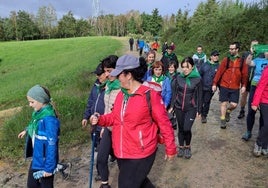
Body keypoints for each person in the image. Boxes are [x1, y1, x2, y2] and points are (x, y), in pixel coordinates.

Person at [90, 54, 177, 188]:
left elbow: (164, 123)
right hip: (122, 150)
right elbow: (115, 118)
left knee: (126, 184)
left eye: (119, 75)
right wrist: (100, 119)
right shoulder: (121, 94)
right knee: (140, 183)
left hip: (141, 152)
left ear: (129, 75)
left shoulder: (149, 95)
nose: (115, 77)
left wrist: (170, 148)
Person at [18, 85, 60, 188]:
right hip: (37, 158)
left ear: (41, 100)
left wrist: (49, 168)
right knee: (32, 185)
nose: (30, 105)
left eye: (32, 102)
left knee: (46, 186)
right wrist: (27, 130)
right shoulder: (38, 114)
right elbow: (34, 124)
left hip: (46, 161)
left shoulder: (49, 120)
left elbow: (52, 145)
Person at [169, 57, 202, 159]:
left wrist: (199, 110)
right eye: (183, 67)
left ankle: (187, 146)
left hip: (191, 108)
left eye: (187, 67)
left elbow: (200, 96)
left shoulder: (198, 79)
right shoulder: (178, 77)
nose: (184, 69)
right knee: (181, 129)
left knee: (187, 128)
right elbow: (174, 93)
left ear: (192, 66)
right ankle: (181, 147)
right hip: (179, 107)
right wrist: (172, 106)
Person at [95, 55, 120, 188]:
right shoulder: (109, 86)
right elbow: (106, 108)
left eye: (109, 70)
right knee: (101, 158)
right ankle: (105, 184)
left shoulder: (123, 88)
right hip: (109, 128)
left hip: (121, 131)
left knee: (124, 163)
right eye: (105, 71)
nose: (106, 74)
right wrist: (104, 126)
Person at [212, 42, 248, 129]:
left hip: (235, 87)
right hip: (224, 85)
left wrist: (244, 85)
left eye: (232, 49)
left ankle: (228, 111)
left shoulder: (242, 61)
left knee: (234, 104)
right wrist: (214, 84)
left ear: (237, 49)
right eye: (230, 49)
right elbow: (219, 72)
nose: (230, 50)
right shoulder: (226, 60)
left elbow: (245, 74)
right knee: (223, 103)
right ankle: (223, 120)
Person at [242, 50, 268, 141]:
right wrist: (251, 54)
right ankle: (248, 131)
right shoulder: (258, 59)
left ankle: (261, 135)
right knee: (251, 110)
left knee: (264, 113)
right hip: (255, 86)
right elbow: (248, 62)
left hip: (266, 89)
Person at [238, 40, 259, 119]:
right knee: (244, 95)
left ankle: (251, 112)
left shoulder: (260, 55)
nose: (255, 47)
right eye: (253, 46)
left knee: (253, 96)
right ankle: (242, 110)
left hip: (255, 78)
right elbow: (241, 65)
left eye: (256, 46)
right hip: (246, 77)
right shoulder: (246, 54)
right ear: (250, 46)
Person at [199, 50, 220, 123]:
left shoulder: (219, 66)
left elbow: (219, 79)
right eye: (214, 55)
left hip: (210, 88)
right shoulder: (205, 65)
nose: (216, 57)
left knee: (207, 101)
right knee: (200, 101)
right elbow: (199, 75)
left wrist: (220, 89)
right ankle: (200, 111)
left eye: (217, 55)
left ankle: (204, 115)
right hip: (202, 86)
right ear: (211, 57)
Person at [251, 65, 268, 157]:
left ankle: (265, 145)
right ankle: (259, 143)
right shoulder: (267, 70)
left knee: (264, 123)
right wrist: (255, 102)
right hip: (265, 100)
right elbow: (261, 86)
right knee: (267, 124)